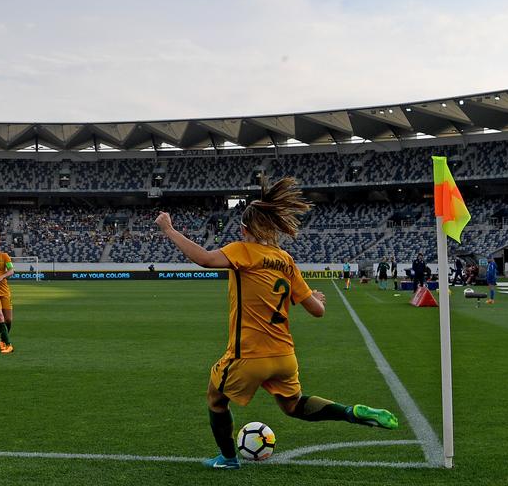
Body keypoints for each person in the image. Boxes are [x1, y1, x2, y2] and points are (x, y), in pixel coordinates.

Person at [156, 177, 399, 471]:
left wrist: (169, 229)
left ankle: (229, 458)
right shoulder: (286, 259)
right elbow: (318, 311)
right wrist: (316, 297)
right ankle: (350, 412)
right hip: (284, 356)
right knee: (294, 405)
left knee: (216, 399)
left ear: (245, 229)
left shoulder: (243, 250)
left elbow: (205, 259)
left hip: (248, 354)